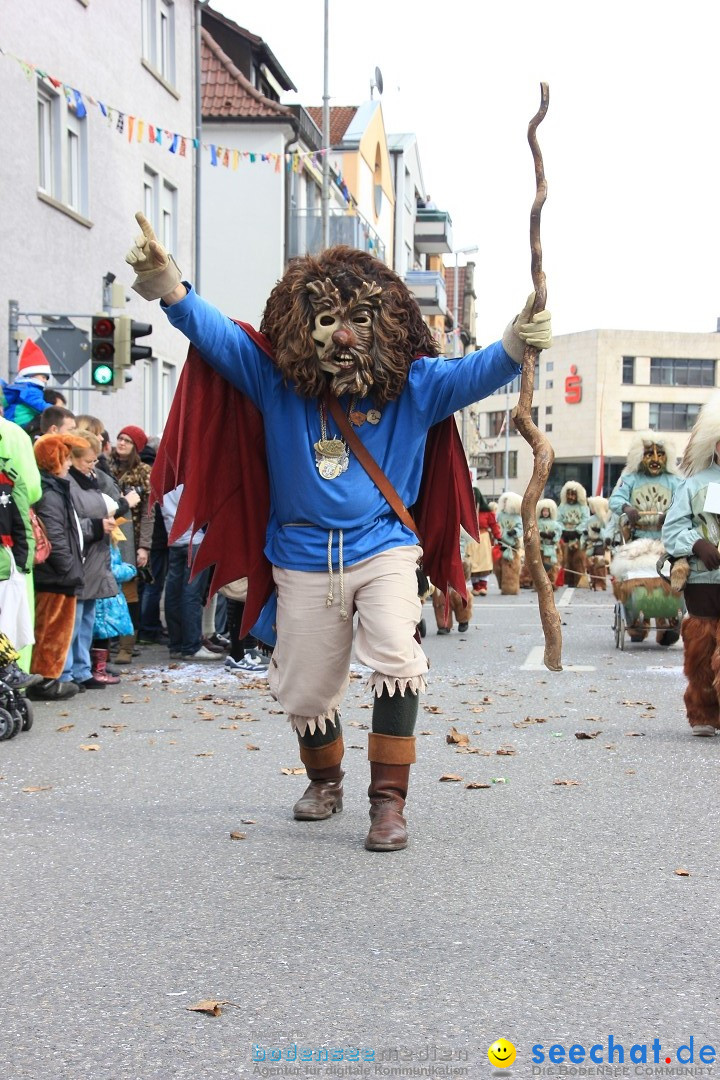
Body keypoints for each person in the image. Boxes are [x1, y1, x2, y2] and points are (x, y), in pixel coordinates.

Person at [125, 211, 552, 851]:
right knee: (304, 686)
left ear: (384, 323)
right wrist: (170, 287)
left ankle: (389, 803)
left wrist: (518, 340)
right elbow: (221, 339)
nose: (344, 336)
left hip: (384, 546)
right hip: (300, 555)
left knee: (396, 655)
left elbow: (477, 371)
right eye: (327, 321)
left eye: (358, 320)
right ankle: (325, 780)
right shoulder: (277, 383)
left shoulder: (415, 385)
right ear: (304, 326)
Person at [662, 393, 720, 736]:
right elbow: (672, 529)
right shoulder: (693, 484)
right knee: (700, 648)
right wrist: (696, 544)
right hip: (703, 579)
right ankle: (702, 710)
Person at [59, 433, 121, 691]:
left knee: (86, 620)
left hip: (93, 557)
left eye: (95, 460)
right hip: (83, 557)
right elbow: (69, 524)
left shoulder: (88, 480)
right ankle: (69, 671)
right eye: (87, 460)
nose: (92, 465)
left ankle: (82, 669)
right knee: (74, 621)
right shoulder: (71, 484)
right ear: (72, 459)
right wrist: (97, 525)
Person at [28, 435, 83, 700]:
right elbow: (57, 537)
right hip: (56, 577)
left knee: (55, 630)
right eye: (67, 458)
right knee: (52, 631)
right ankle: (45, 681)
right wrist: (69, 569)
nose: (70, 464)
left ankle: (48, 677)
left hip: (59, 575)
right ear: (55, 460)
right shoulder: (51, 492)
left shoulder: (54, 488)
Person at [160, 484, 221, 662]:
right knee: (191, 594)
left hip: (175, 537)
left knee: (174, 592)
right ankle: (191, 646)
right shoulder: (190, 478)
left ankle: (177, 644)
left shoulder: (166, 477)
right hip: (194, 539)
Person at [109, 425, 153, 663]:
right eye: (119, 438)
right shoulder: (107, 467)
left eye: (127, 440)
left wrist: (144, 546)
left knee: (129, 593)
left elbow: (148, 513)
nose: (122, 443)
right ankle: (108, 644)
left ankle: (127, 644)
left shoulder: (144, 472)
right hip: (107, 536)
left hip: (130, 539)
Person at [608, 433, 682, 542]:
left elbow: (683, 504)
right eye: (649, 454)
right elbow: (615, 499)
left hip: (667, 541)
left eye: (660, 454)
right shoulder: (629, 479)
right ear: (639, 456)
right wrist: (626, 508)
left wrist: (672, 514)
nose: (655, 459)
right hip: (635, 540)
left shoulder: (676, 481)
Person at [2, 339, 53, 430]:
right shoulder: (30, 389)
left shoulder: (25, 387)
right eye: (43, 377)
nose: (45, 381)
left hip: (16, 420)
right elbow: (38, 403)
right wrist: (54, 410)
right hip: (21, 421)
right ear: (31, 375)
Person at [465, 488, 501, 596]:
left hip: (483, 538)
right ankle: (476, 586)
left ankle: (483, 586)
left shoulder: (487, 513)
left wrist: (498, 537)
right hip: (471, 538)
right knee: (473, 562)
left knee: (484, 562)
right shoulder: (466, 511)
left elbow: (494, 525)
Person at [557, 481, 590, 587]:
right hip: (565, 536)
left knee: (578, 559)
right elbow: (557, 520)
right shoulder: (562, 507)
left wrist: (577, 531)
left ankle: (579, 580)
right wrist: (563, 530)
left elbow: (586, 520)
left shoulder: (583, 507)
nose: (570, 497)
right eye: (569, 494)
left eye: (573, 494)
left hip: (578, 537)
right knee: (565, 559)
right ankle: (567, 580)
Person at [495, 491, 524, 595]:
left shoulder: (517, 517)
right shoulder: (500, 515)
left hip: (512, 546)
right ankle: (503, 585)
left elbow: (520, 528)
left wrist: (514, 531)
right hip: (501, 545)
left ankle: (510, 588)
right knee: (498, 568)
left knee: (511, 569)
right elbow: (496, 526)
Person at [536, 498, 563, 588]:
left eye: (547, 511)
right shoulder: (538, 522)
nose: (545, 513)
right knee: (540, 566)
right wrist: (540, 534)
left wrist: (554, 535)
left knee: (553, 566)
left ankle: (552, 582)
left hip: (552, 547)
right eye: (543, 511)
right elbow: (535, 532)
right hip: (541, 548)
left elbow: (558, 532)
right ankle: (540, 584)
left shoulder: (555, 523)